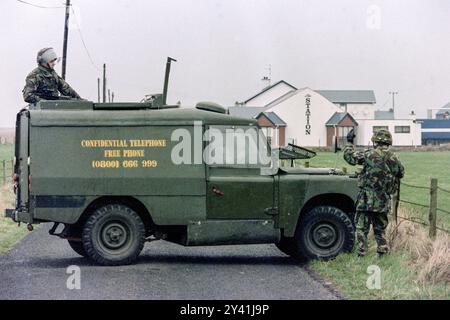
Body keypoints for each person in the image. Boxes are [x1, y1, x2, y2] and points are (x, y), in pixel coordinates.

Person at [343, 129, 404, 257]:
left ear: (375, 141)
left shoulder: (368, 155)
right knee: (380, 228)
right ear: (389, 142)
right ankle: (382, 253)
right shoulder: (394, 158)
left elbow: (349, 157)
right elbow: (401, 173)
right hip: (382, 199)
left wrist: (349, 142)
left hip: (365, 199)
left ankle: (361, 254)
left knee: (361, 227)